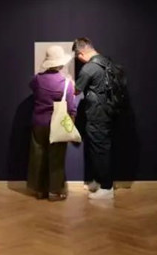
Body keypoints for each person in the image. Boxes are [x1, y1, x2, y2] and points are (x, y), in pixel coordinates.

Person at [72, 37, 122, 200]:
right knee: (101, 148)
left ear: (81, 53)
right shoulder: (107, 62)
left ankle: (106, 188)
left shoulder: (89, 68)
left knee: (100, 149)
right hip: (109, 111)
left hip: (97, 115)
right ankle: (100, 181)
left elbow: (76, 90)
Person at [28, 46, 77, 201]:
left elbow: (33, 89)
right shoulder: (67, 83)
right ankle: (55, 191)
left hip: (38, 122)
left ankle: (39, 190)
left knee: (38, 155)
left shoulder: (37, 79)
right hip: (57, 124)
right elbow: (71, 108)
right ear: (61, 63)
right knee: (56, 157)